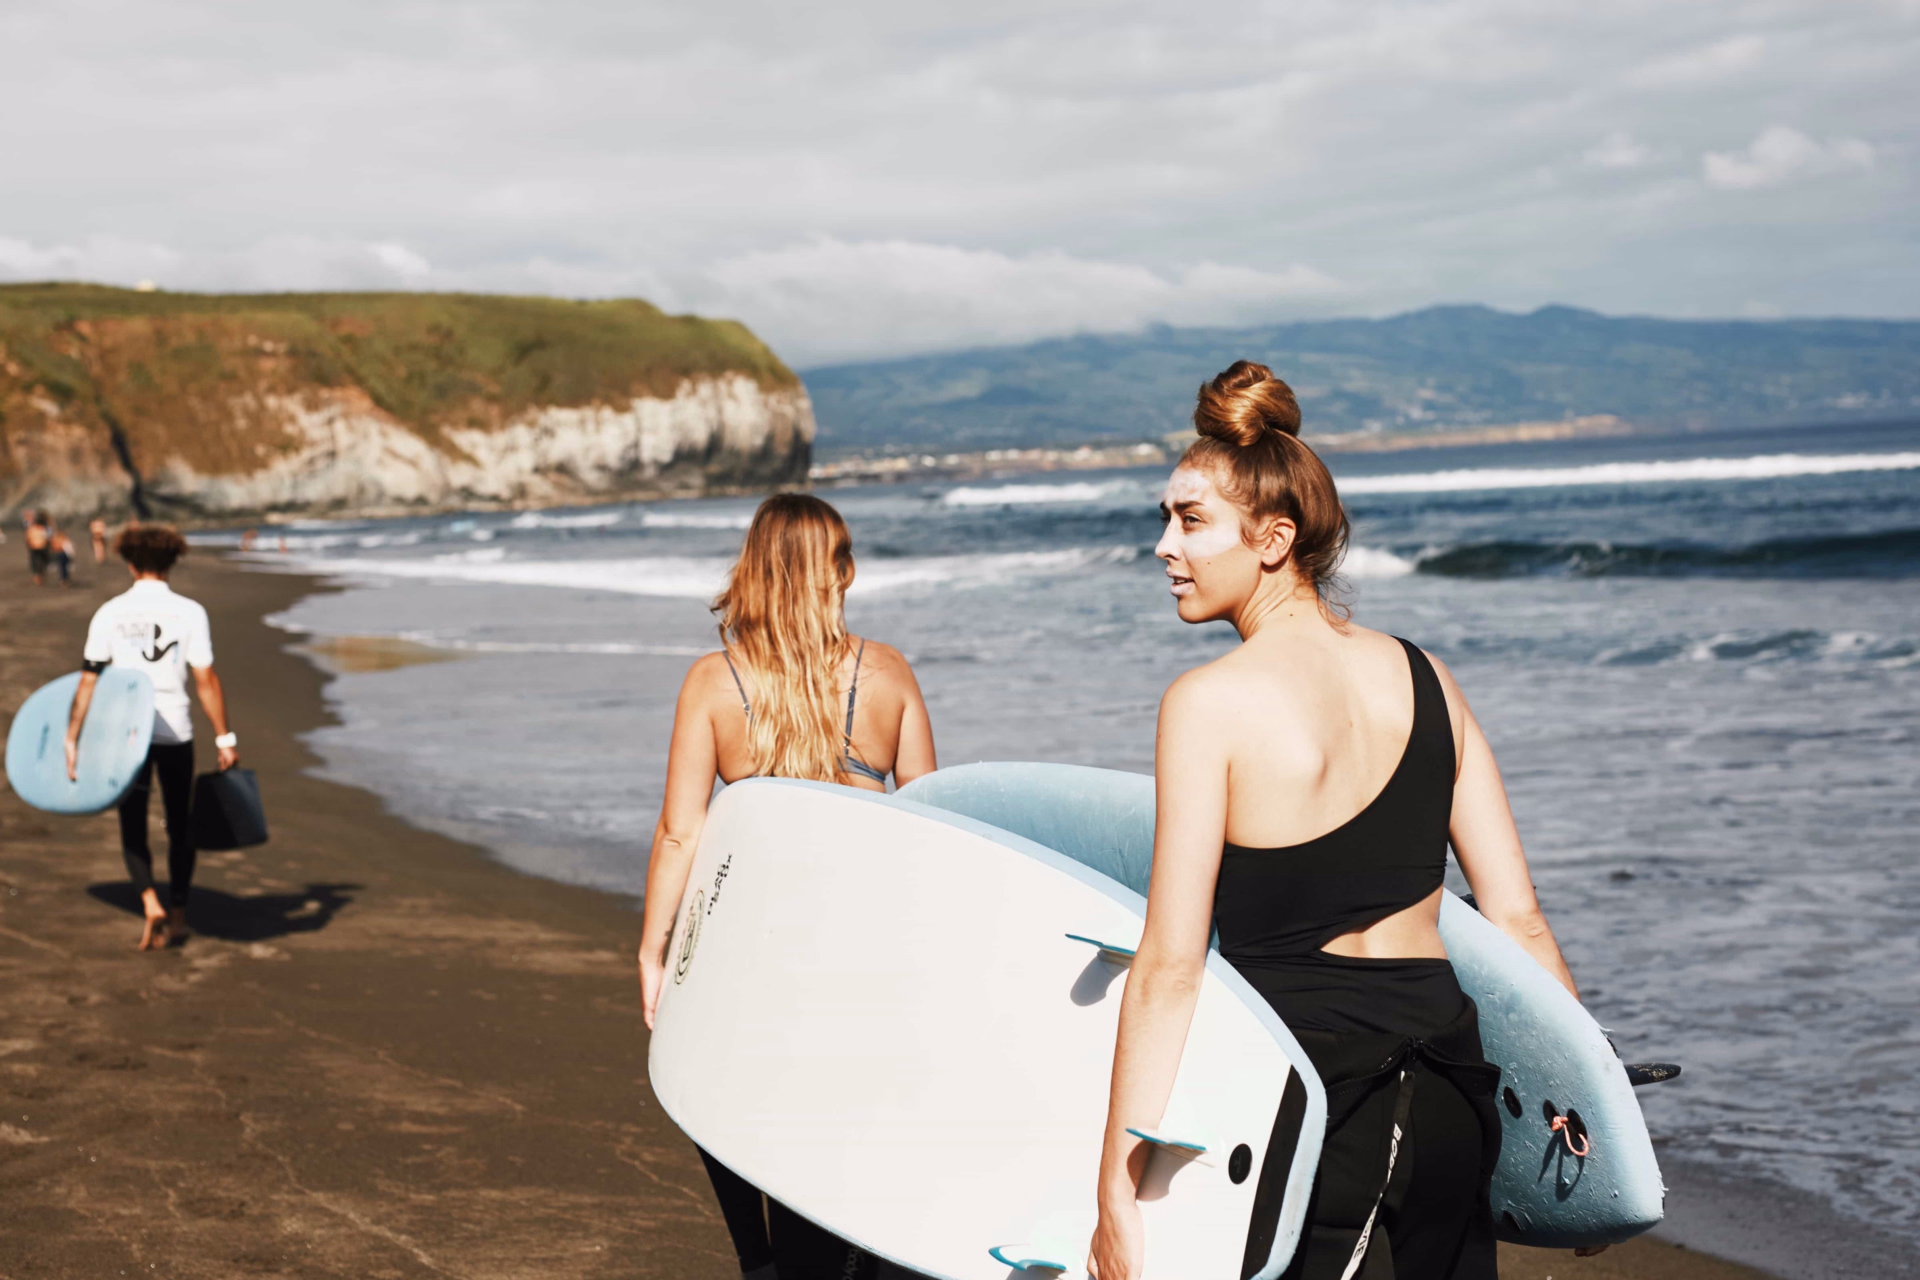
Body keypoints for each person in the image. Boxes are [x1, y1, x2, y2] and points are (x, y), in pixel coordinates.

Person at [1088, 363, 1586, 1280]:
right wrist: (1582, 1106)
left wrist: (1117, 1187)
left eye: (1190, 521)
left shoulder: (1206, 704)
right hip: (1449, 1089)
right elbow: (1518, 920)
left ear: (1274, 539)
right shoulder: (1429, 678)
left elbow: (1170, 964)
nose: (1164, 546)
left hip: (1303, 1097)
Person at [637, 493, 937, 1280]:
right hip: (860, 948)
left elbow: (680, 832)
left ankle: (760, 1260)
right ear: (838, 573)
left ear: (755, 571)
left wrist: (654, 951)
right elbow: (932, 823)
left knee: (715, 1095)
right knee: (836, 1134)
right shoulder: (887, 673)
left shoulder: (713, 682)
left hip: (751, 948)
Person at [65, 524, 241, 950]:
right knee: (180, 825)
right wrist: (224, 738)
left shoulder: (109, 613)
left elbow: (89, 680)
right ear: (172, 563)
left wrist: (72, 736)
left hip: (127, 736)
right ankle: (178, 914)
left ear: (129, 563)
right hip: (175, 732)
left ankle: (150, 903)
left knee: (133, 822)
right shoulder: (190, 612)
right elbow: (205, 680)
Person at [24, 511, 51, 586]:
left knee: (35, 562)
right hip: (42, 547)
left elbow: (27, 538)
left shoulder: (31, 528)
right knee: (43, 561)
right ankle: (40, 574)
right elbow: (49, 537)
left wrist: (28, 545)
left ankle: (37, 576)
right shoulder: (44, 528)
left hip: (34, 547)